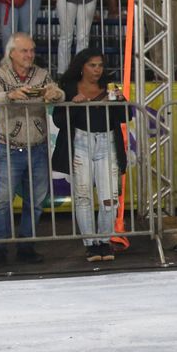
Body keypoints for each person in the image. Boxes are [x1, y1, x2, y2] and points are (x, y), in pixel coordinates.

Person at [0, 33, 66, 269]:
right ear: (12, 53)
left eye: (31, 50)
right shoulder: (0, 75)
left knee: (36, 201)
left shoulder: (41, 75)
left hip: (38, 148)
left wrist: (56, 95)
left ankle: (26, 245)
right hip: (10, 149)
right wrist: (10, 95)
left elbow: (59, 93)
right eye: (24, 51)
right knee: (2, 202)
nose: (30, 55)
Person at [52, 48, 130, 262]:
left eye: (100, 65)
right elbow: (58, 121)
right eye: (92, 65)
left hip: (107, 143)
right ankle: (90, 244)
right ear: (82, 66)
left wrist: (120, 101)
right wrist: (73, 105)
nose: (97, 70)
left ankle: (104, 241)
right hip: (80, 142)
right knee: (83, 196)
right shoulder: (68, 87)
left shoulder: (109, 87)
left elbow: (126, 117)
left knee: (109, 198)